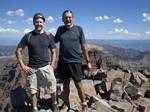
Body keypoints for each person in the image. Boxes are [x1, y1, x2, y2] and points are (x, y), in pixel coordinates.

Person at [15, 13, 59, 112]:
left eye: (40, 22)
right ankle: (34, 108)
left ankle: (54, 103)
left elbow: (53, 51)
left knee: (52, 87)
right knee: (33, 90)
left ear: (43, 23)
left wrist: (52, 64)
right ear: (34, 23)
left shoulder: (48, 36)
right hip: (32, 69)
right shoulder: (28, 36)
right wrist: (23, 66)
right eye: (37, 22)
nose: (39, 24)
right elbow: (18, 50)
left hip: (46, 67)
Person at [54, 10, 92, 112]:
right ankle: (66, 103)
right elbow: (55, 40)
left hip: (76, 62)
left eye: (70, 17)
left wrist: (87, 61)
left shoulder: (79, 29)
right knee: (65, 84)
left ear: (73, 18)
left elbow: (83, 46)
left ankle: (84, 105)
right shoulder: (60, 29)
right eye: (66, 17)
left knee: (78, 84)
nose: (68, 19)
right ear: (62, 19)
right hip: (63, 62)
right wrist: (47, 36)